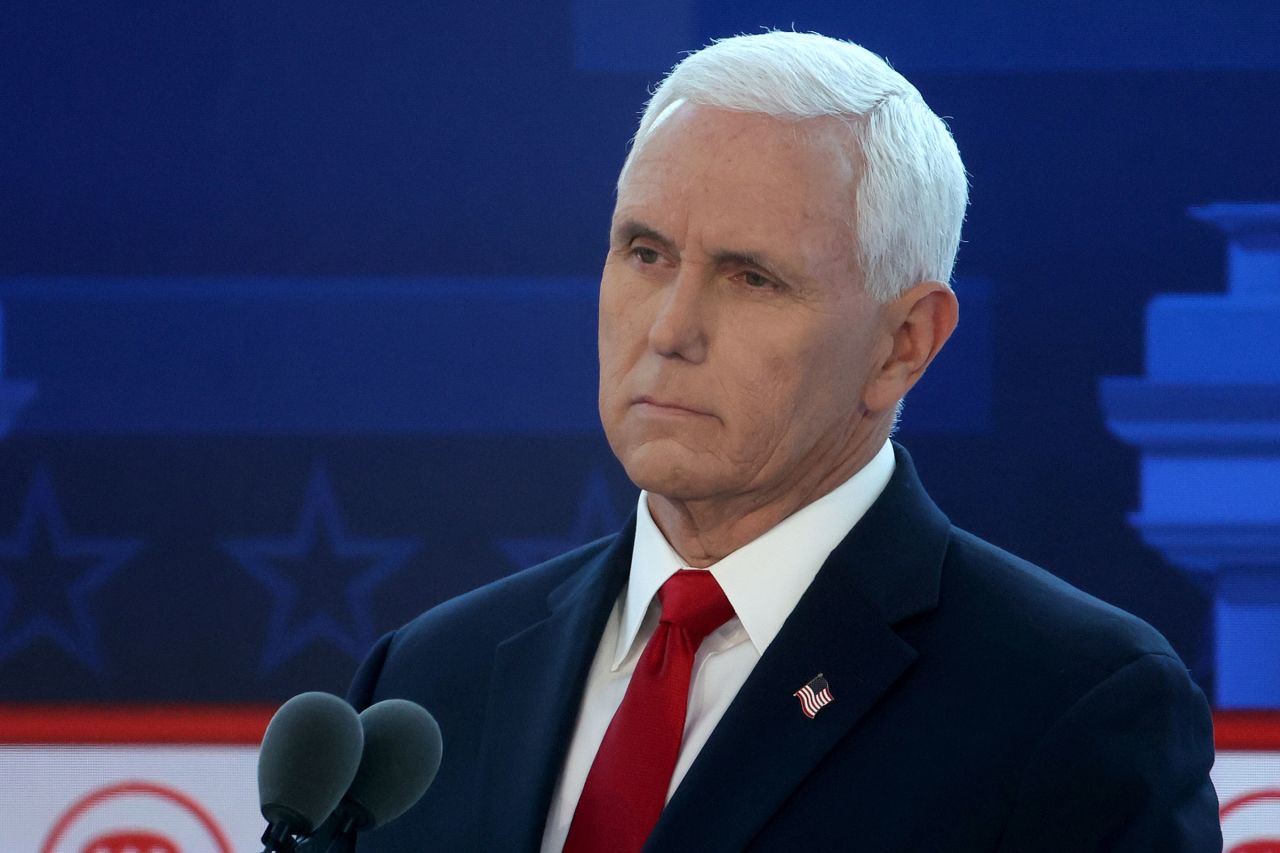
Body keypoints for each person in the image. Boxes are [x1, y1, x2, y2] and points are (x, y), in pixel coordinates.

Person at [344, 31, 1221, 852]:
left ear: (903, 342)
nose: (671, 328)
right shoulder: (426, 679)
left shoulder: (1071, 705)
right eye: (646, 253)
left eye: (751, 277)